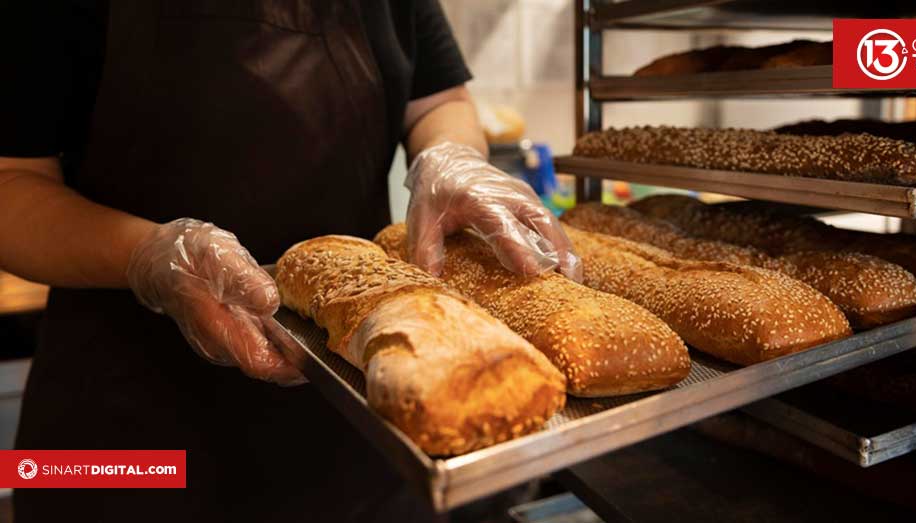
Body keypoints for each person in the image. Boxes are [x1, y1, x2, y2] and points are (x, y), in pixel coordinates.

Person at [0, 1, 578, 521]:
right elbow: (11, 184)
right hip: (121, 433)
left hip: (354, 413)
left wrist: (450, 155)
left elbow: (441, 100)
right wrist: (147, 255)